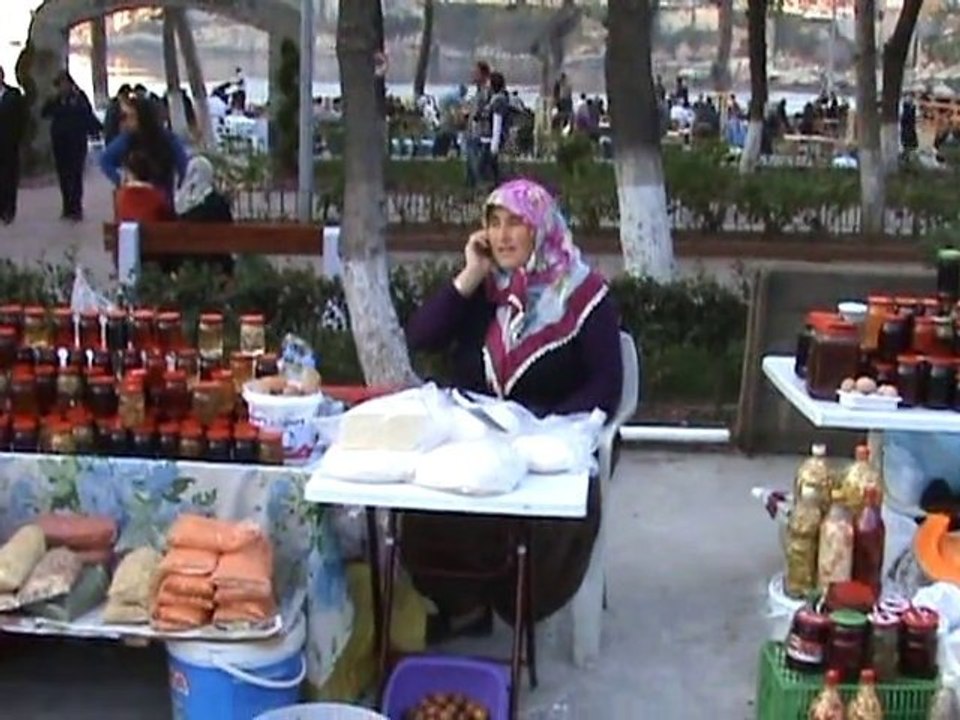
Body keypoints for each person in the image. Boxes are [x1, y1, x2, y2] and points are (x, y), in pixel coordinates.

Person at [403, 179, 624, 637]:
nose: (503, 236)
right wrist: (469, 275)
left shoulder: (585, 295)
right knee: (431, 498)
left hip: (550, 437)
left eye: (516, 224)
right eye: (494, 223)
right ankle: (463, 603)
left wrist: (534, 431)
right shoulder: (483, 291)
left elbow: (607, 385)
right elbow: (421, 338)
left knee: (551, 512)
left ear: (541, 230)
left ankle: (520, 600)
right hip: (475, 437)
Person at [100, 93, 188, 204]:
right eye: (124, 117)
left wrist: (181, 191)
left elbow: (184, 167)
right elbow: (105, 160)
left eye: (131, 116)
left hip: (162, 202)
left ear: (144, 117)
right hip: (135, 202)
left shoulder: (167, 139)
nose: (126, 122)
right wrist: (120, 180)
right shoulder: (128, 138)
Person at [41, 71, 102, 221]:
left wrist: (95, 130)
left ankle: (76, 207)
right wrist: (54, 100)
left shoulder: (79, 98)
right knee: (63, 175)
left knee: (75, 174)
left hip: (77, 142)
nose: (61, 88)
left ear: (70, 83)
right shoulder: (56, 100)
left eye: (63, 84)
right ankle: (67, 206)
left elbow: (87, 115)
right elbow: (45, 113)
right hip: (60, 142)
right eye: (58, 85)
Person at [114, 150, 173, 223]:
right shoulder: (157, 195)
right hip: (154, 232)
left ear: (130, 174)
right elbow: (167, 218)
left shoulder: (121, 195)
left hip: (128, 233)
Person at [0, 66, 25, 224]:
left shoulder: (13, 95)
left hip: (9, 143)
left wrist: (17, 138)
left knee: (9, 177)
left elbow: (20, 119)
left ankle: (9, 210)